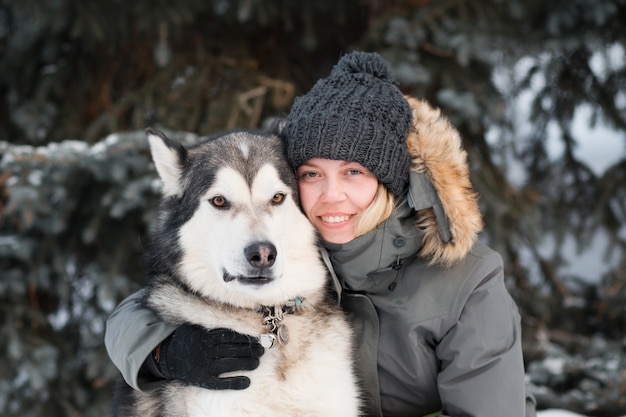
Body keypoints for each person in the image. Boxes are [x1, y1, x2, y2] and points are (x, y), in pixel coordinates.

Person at [105, 51, 536, 416]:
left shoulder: (468, 282)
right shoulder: (309, 246)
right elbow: (142, 307)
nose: (332, 197)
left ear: (389, 179)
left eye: (354, 172)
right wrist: (164, 353)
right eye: (312, 174)